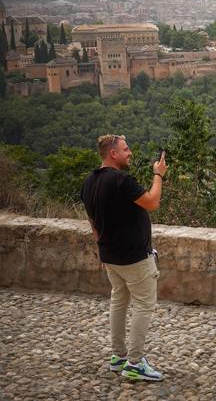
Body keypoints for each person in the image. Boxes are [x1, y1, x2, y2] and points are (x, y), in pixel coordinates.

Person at [80, 135, 167, 381]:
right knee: (144, 305)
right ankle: (135, 363)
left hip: (111, 256)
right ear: (113, 154)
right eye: (125, 149)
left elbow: (92, 220)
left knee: (118, 302)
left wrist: (102, 246)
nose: (130, 153)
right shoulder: (122, 180)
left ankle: (118, 357)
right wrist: (158, 174)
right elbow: (152, 202)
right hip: (134, 257)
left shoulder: (88, 182)